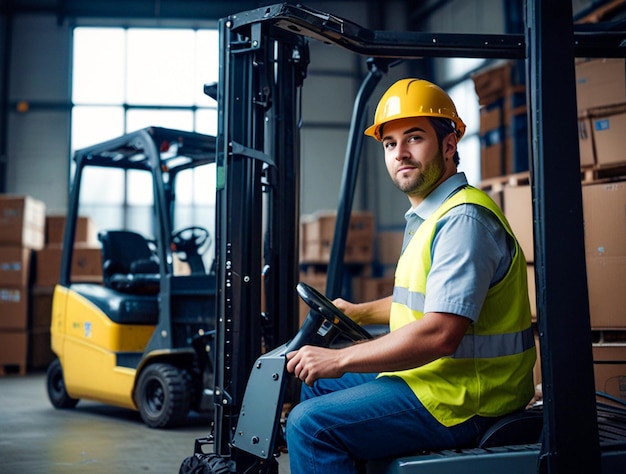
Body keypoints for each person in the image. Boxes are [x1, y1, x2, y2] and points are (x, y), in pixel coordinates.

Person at [285, 78, 537, 473]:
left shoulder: (462, 221)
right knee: (315, 383)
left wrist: (341, 359)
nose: (400, 153)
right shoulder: (432, 214)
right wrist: (358, 311)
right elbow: (426, 300)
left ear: (449, 145)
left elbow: (440, 332)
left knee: (310, 425)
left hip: (464, 396)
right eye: (390, 143)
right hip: (433, 380)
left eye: (414, 138)